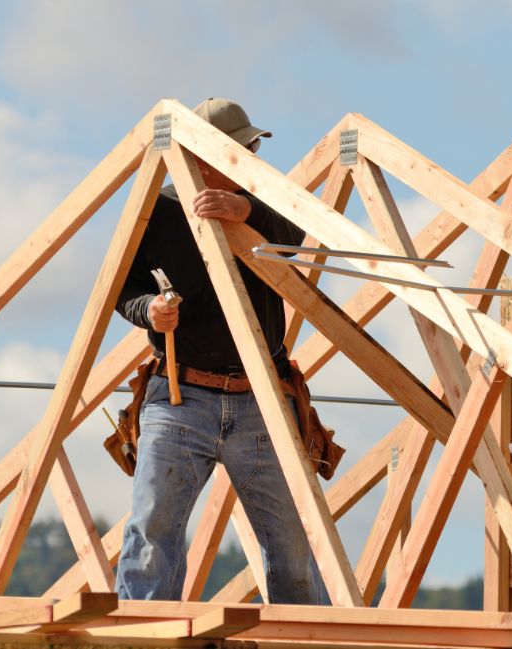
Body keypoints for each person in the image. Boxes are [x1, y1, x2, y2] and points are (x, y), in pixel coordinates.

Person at [114, 98, 321, 603]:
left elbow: (300, 235)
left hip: (261, 398)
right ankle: (140, 639)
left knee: (293, 547)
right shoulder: (157, 209)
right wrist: (150, 311)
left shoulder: (265, 199)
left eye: (252, 148)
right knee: (151, 534)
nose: (253, 156)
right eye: (244, 148)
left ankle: (302, 639)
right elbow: (123, 291)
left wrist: (245, 211)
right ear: (207, 156)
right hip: (181, 394)